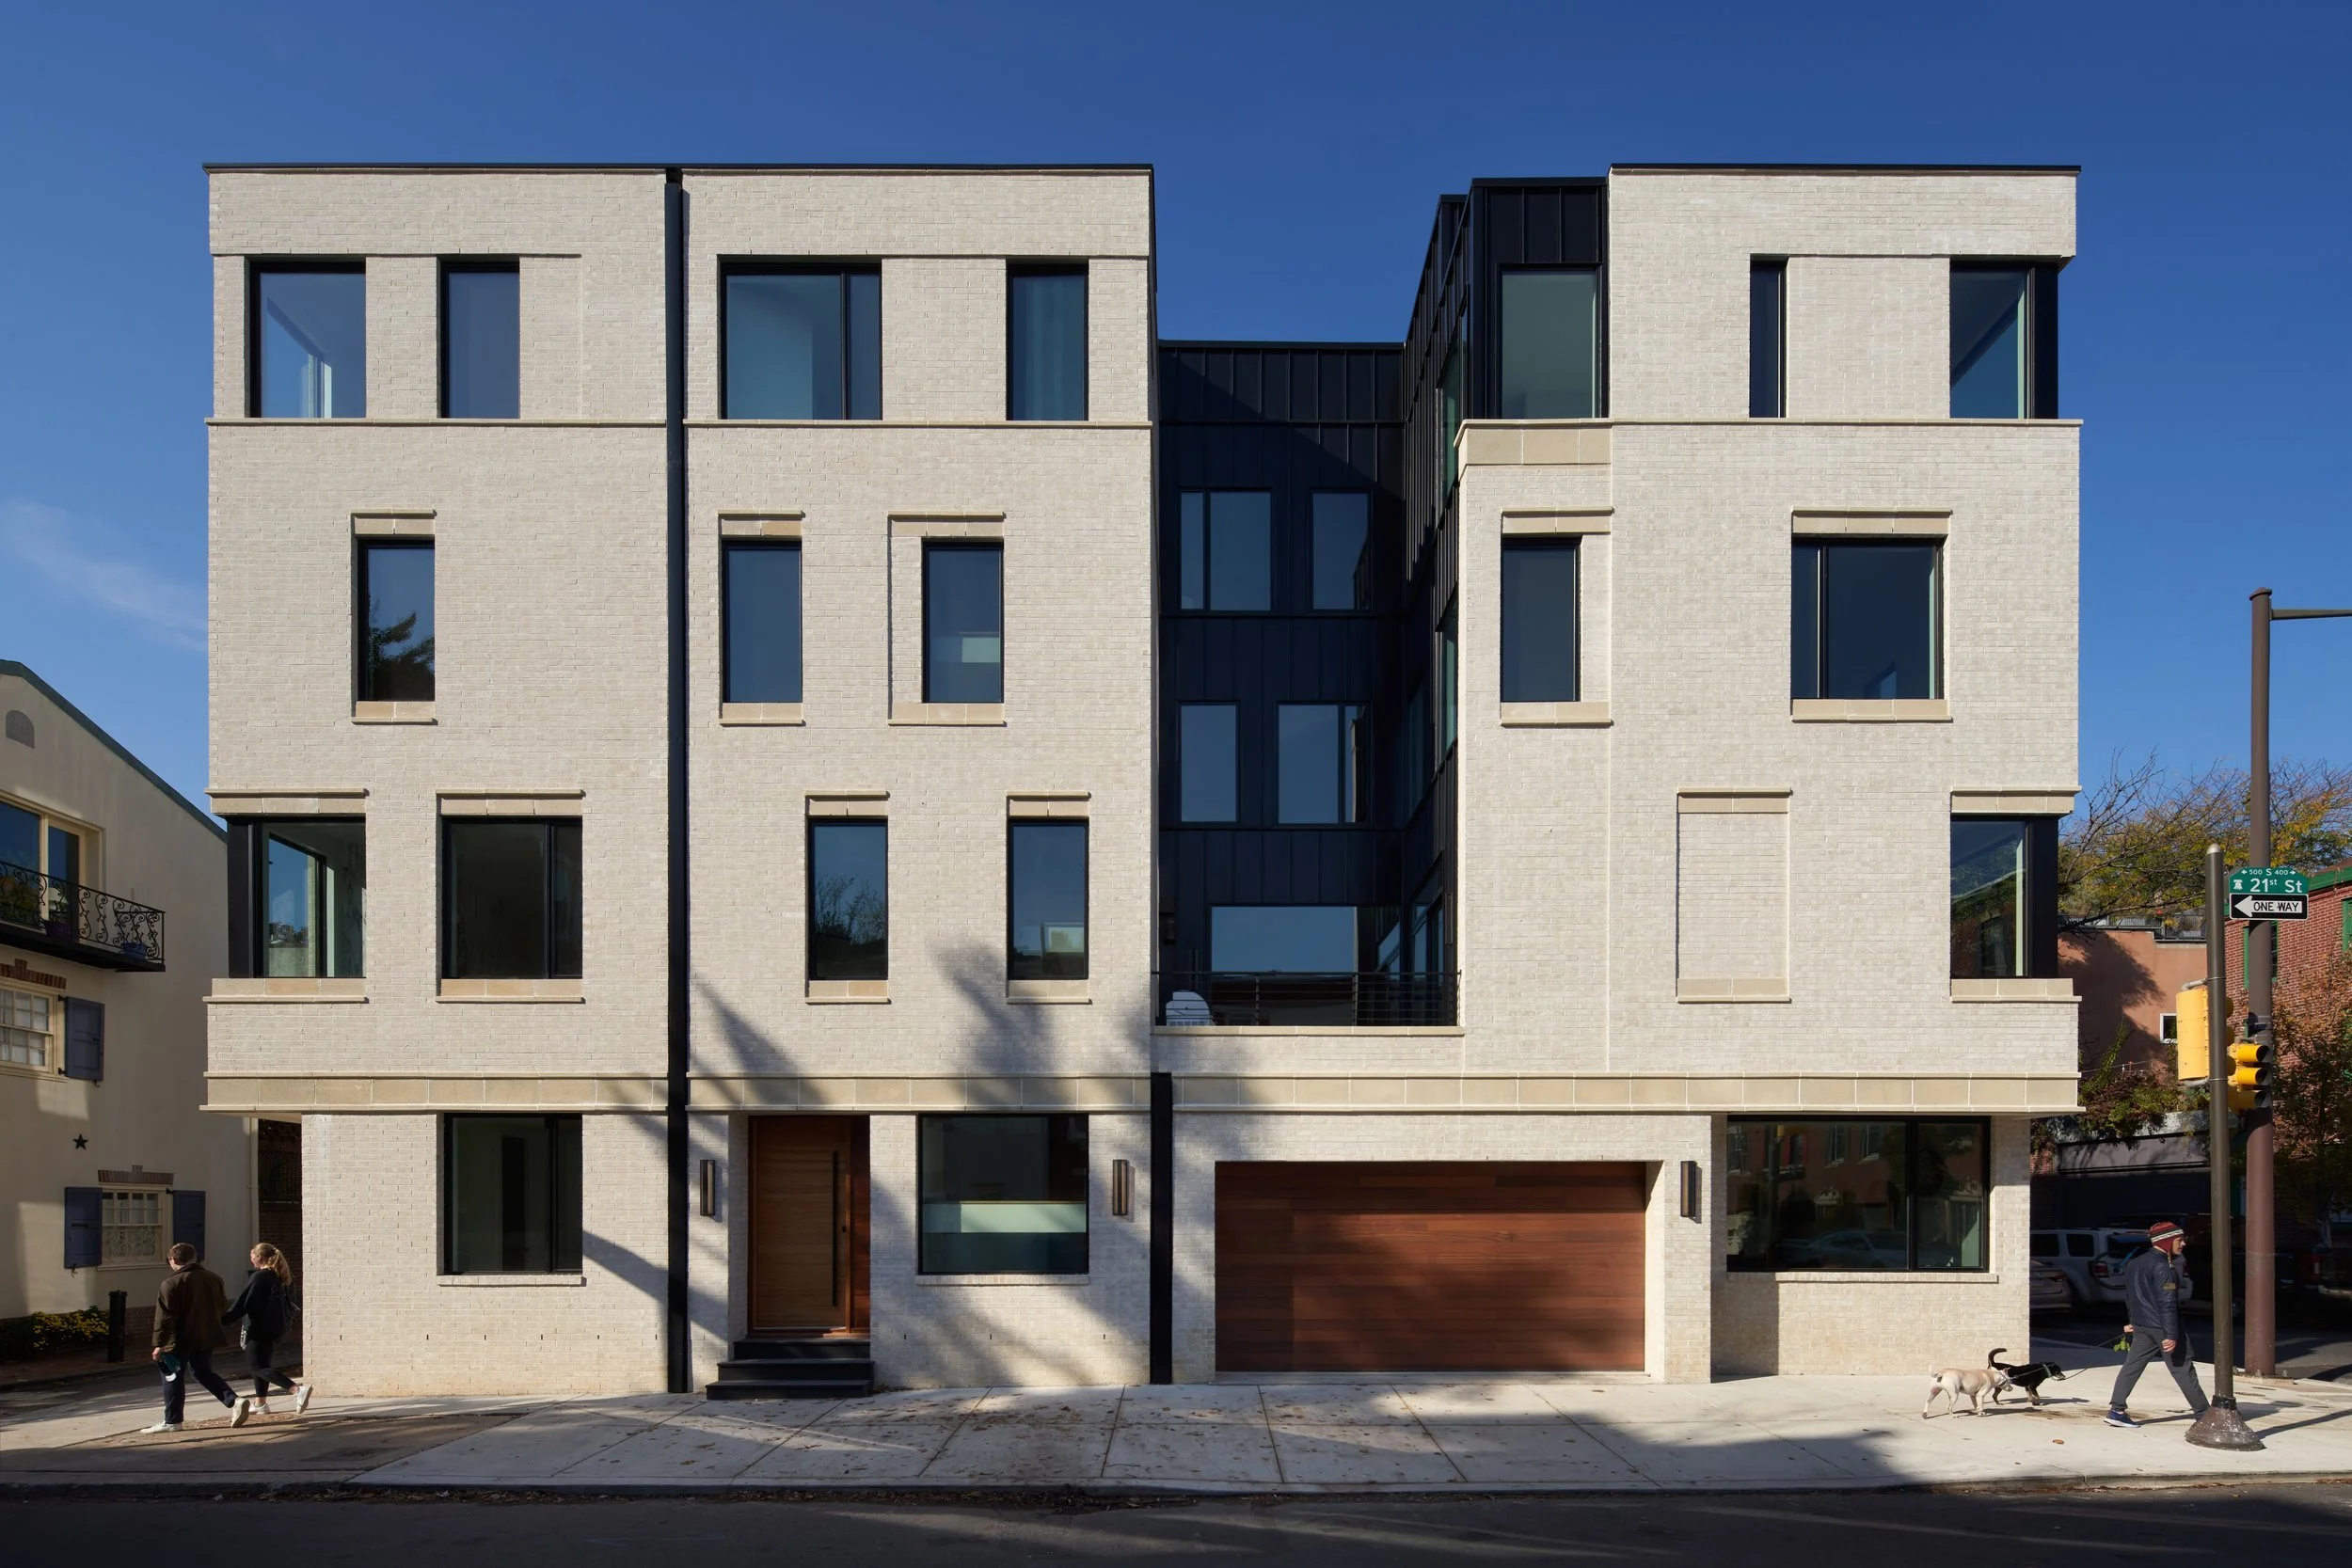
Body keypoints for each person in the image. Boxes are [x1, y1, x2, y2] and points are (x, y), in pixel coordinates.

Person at [2106, 1219, 2211, 1428]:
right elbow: (2167, 1302)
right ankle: (2205, 1415)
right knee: (2183, 1368)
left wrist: (2132, 1321)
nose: (2183, 1244)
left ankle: (2116, 1411)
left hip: (2143, 1325)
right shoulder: (2164, 1267)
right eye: (2179, 1240)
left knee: (2132, 1366)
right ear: (2166, 1241)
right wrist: (2171, 1334)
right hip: (2162, 1327)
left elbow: (2131, 1296)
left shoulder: (2136, 1263)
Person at [143, 1242, 251, 1433]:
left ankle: (172, 1421)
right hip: (205, 1335)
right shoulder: (213, 1278)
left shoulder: (170, 1284)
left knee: (172, 1377)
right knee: (202, 1372)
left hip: (179, 1338)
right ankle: (234, 1400)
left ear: (173, 1259)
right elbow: (222, 1306)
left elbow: (165, 1317)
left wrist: (159, 1344)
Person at [222, 1242, 311, 1417]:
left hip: (258, 1328)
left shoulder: (259, 1277)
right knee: (263, 1365)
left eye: (252, 1256)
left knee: (257, 1367)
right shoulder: (280, 1277)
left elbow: (244, 1303)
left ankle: (296, 1390)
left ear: (260, 1257)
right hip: (276, 1328)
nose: (251, 1260)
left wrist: (223, 1320)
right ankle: (260, 1403)